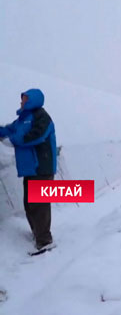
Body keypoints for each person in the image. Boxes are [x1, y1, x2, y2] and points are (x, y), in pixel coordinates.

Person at [0, 89, 57, 251]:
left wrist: (13, 141)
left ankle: (45, 241)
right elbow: (9, 130)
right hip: (30, 169)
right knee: (30, 204)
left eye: (25, 99)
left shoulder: (42, 118)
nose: (22, 101)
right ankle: (38, 233)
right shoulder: (22, 119)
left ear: (33, 100)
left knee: (40, 205)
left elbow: (36, 136)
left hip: (42, 168)